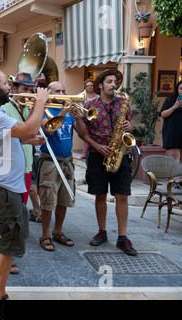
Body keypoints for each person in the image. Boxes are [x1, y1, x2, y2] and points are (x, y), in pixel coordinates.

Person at [0, 70, 48, 300]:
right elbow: (29, 128)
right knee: (9, 242)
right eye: (6, 83)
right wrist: (41, 102)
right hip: (1, 188)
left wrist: (27, 138)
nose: (10, 87)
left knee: (9, 235)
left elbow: (16, 134)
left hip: (8, 187)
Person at [75, 69, 137, 256]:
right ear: (100, 85)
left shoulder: (123, 103)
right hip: (97, 154)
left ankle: (122, 237)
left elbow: (130, 125)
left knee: (122, 196)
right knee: (100, 195)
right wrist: (97, 146)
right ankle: (102, 232)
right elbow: (82, 133)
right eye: (109, 81)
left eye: (115, 82)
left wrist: (129, 126)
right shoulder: (89, 105)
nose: (113, 85)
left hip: (120, 153)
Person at [1, 72, 43, 273]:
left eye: (31, 89)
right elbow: (6, 138)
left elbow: (38, 130)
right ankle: (6, 256)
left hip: (26, 166)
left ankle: (10, 253)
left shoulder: (29, 109)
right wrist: (27, 139)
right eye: (25, 89)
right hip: (10, 168)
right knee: (9, 214)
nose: (29, 93)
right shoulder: (4, 109)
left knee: (19, 212)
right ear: (15, 89)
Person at [37, 81, 81, 251]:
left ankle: (58, 231)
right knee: (48, 200)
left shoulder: (70, 113)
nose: (62, 93)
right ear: (49, 94)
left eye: (63, 90)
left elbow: (81, 132)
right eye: (57, 91)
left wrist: (79, 115)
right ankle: (45, 234)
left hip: (67, 161)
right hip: (50, 161)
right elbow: (48, 130)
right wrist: (63, 113)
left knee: (64, 199)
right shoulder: (43, 111)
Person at [160, 80, 182, 188]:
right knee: (173, 157)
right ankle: (174, 182)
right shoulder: (170, 100)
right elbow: (163, 114)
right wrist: (175, 107)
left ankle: (179, 181)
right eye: (181, 88)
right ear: (177, 89)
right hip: (172, 132)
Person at [82, 79, 98, 160]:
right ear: (85, 87)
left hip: (96, 118)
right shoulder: (82, 96)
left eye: (91, 85)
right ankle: (85, 153)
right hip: (85, 118)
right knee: (86, 135)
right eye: (88, 86)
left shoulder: (98, 96)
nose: (90, 87)